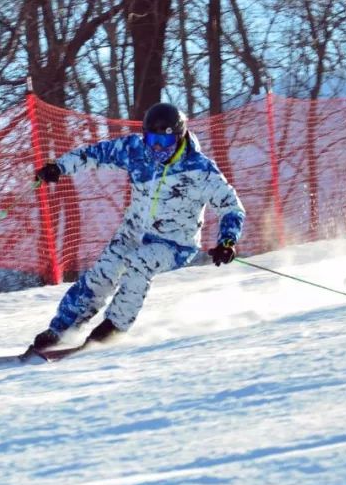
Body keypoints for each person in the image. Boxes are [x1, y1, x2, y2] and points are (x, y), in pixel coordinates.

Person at [30, 102, 245, 351]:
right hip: (133, 232)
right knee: (103, 273)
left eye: (164, 142)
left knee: (138, 265)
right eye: (152, 140)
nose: (156, 148)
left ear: (179, 137)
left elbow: (231, 206)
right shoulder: (135, 150)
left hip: (174, 243)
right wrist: (59, 166)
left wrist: (227, 240)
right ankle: (61, 330)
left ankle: (113, 327)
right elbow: (95, 154)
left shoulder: (199, 169)